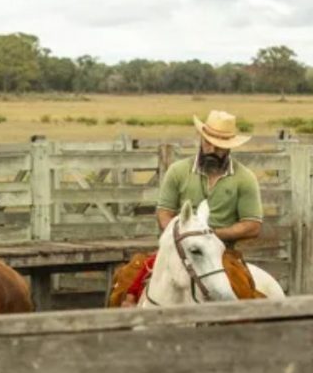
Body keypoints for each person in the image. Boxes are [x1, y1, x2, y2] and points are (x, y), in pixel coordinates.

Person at [110, 110, 264, 307]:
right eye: (208, 142)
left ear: (229, 149)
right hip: (180, 245)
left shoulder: (245, 178)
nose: (211, 149)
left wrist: (210, 237)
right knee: (127, 278)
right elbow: (164, 213)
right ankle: (122, 325)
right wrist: (183, 235)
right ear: (201, 139)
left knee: (240, 292)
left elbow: (252, 225)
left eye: (219, 147)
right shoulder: (178, 171)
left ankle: (245, 329)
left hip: (222, 251)